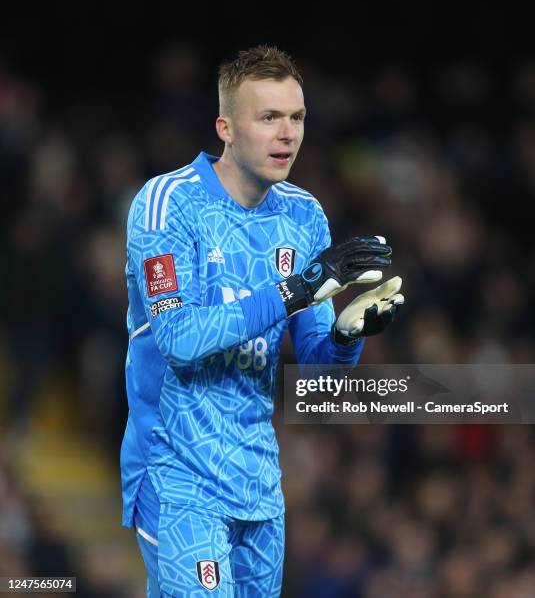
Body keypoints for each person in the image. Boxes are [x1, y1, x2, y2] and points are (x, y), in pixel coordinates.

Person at [120, 44, 404, 597]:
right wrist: (299, 288)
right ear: (225, 126)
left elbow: (321, 370)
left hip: (257, 483)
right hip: (175, 474)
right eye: (269, 117)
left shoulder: (303, 215)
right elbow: (180, 339)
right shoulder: (166, 203)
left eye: (296, 117)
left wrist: (346, 337)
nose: (287, 133)